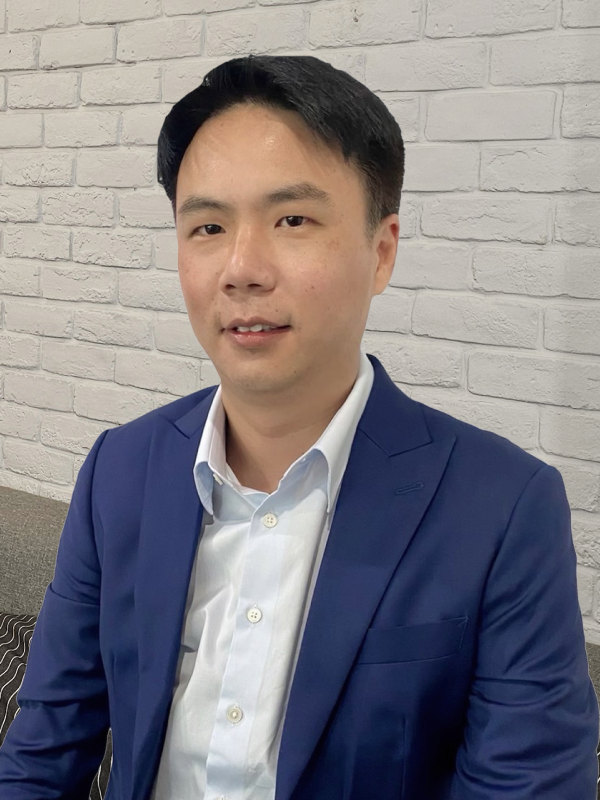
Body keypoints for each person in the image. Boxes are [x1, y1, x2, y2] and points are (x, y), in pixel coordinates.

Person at [0, 54, 597, 800]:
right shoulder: (121, 469)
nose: (242, 268)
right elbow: (43, 750)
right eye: (208, 226)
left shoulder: (503, 508)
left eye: (292, 220)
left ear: (381, 252)